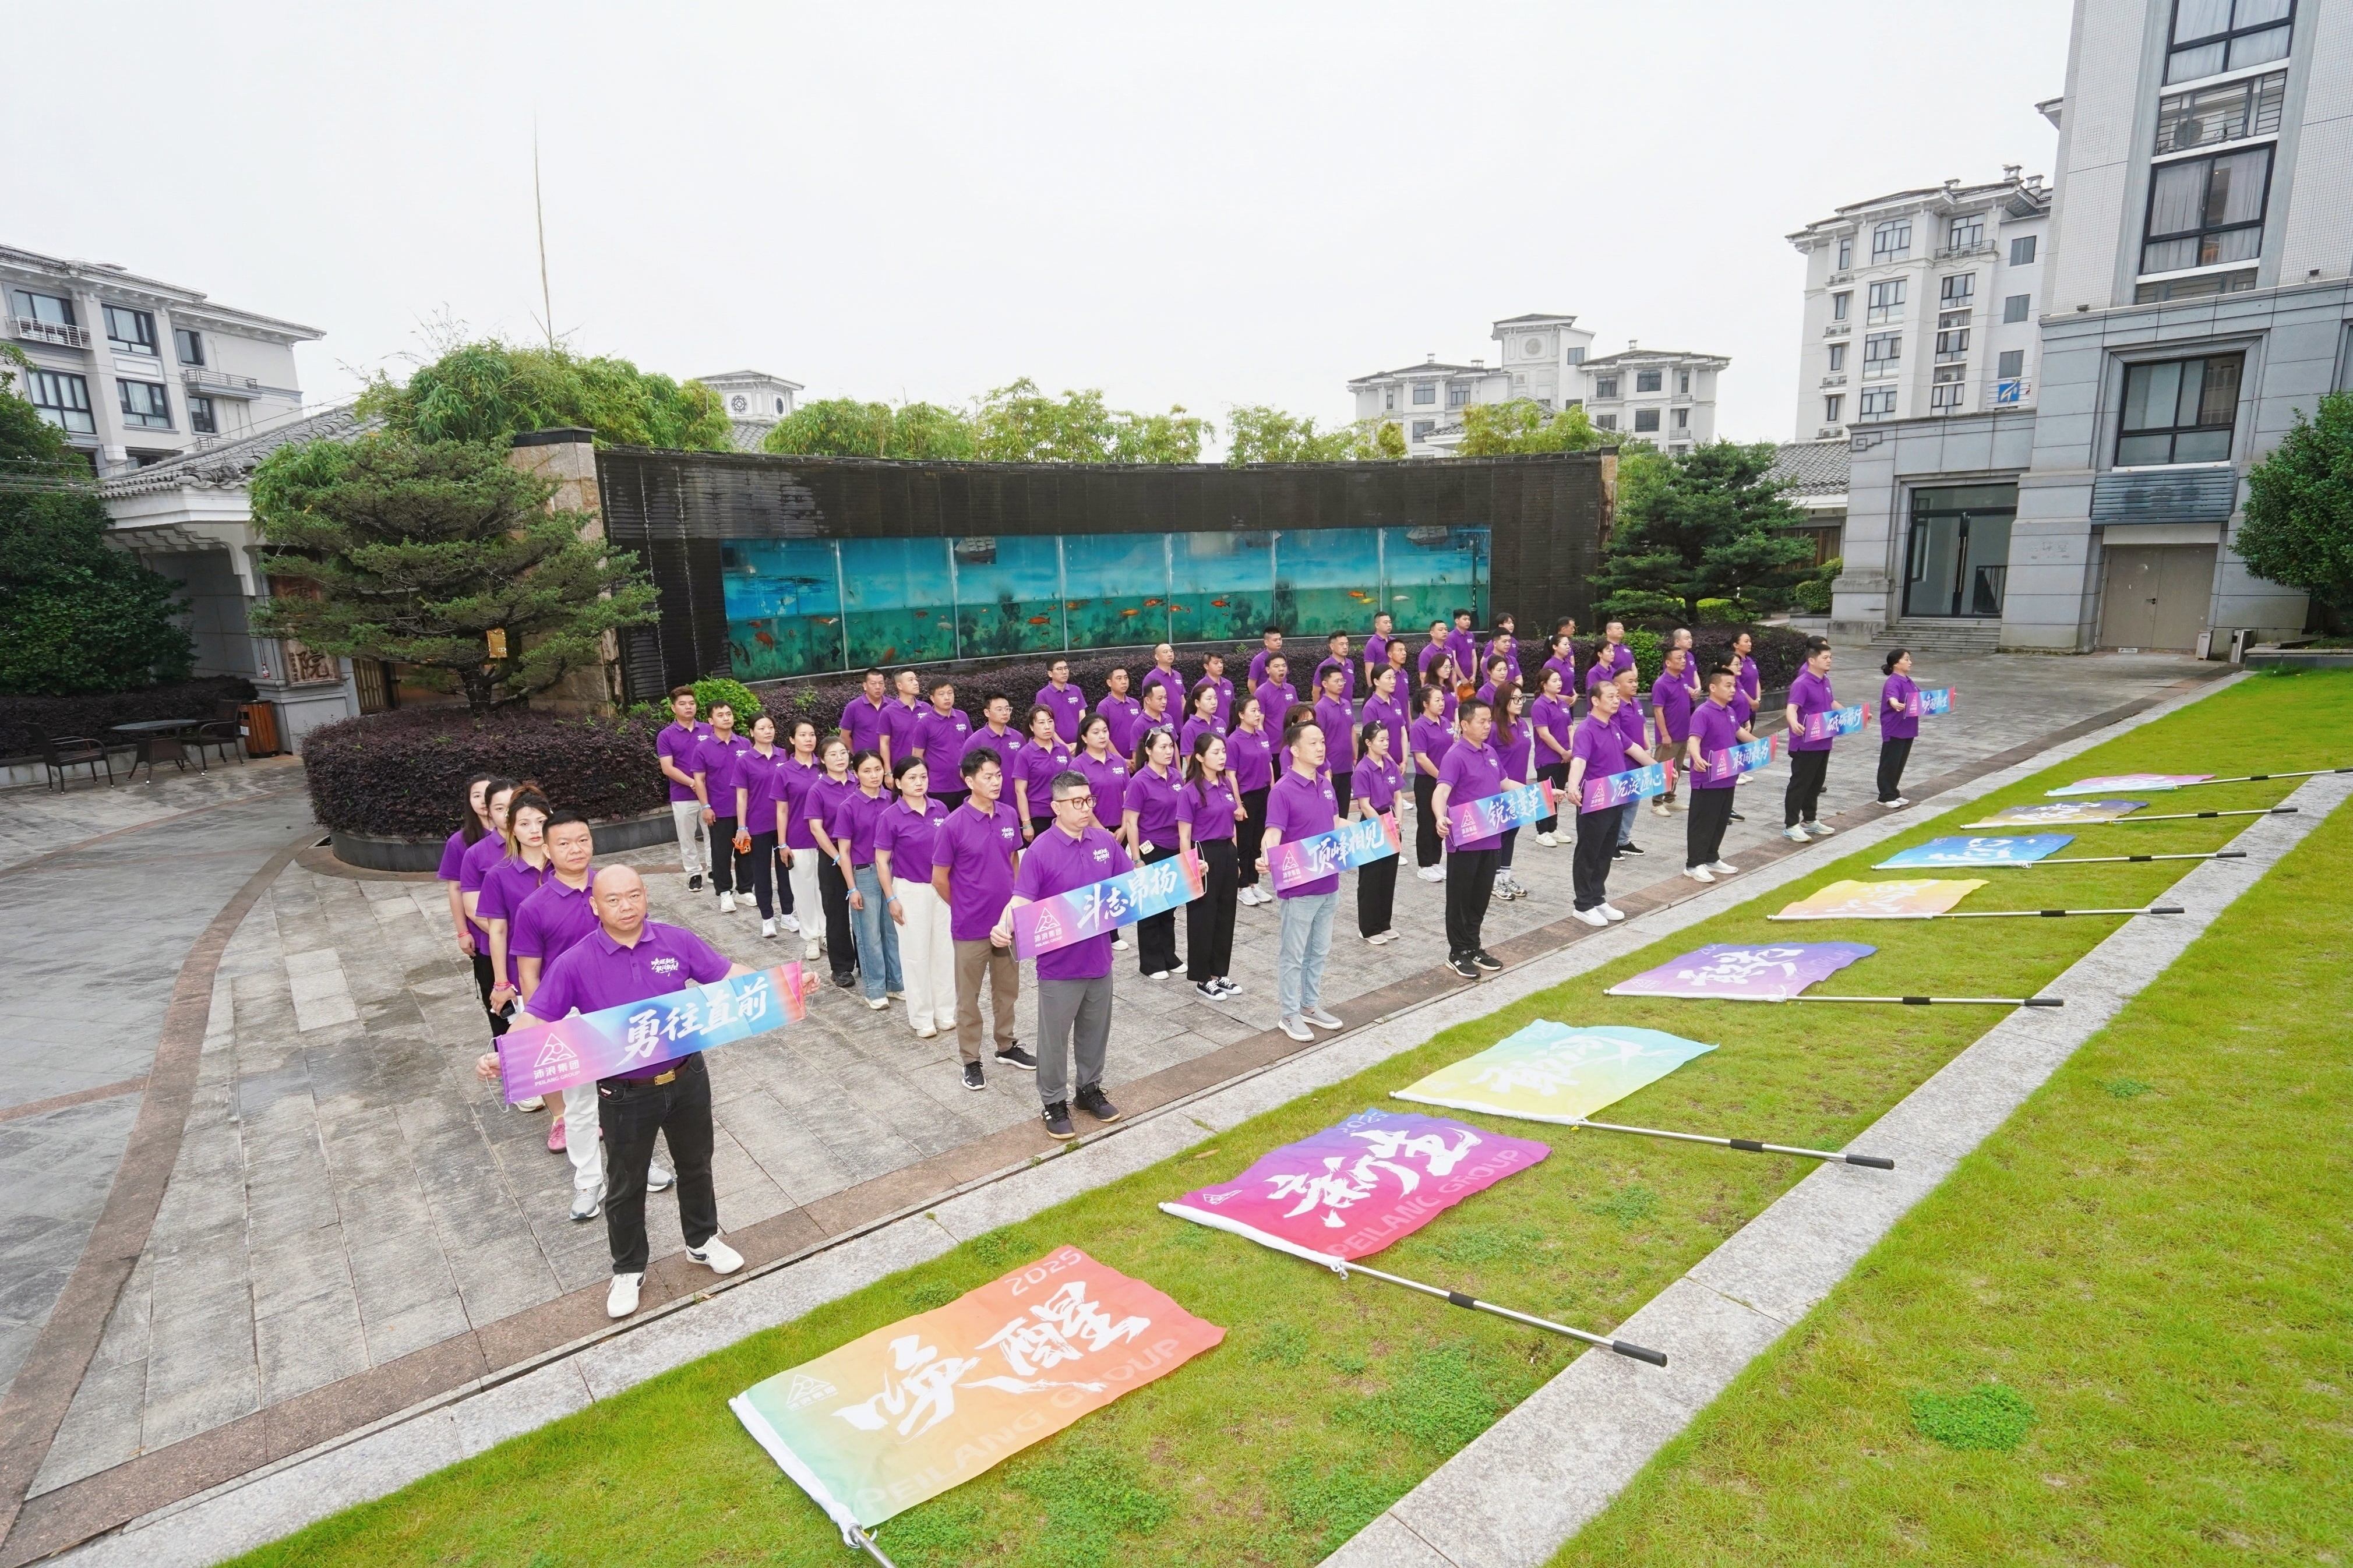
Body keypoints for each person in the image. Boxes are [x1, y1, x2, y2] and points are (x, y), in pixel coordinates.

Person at [484, 866, 750, 1320]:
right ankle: (628, 1269)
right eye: (613, 899)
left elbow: (729, 975)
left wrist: (784, 985)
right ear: (595, 906)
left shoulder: (676, 941)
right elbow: (538, 1016)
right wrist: (502, 1054)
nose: (626, 907)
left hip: (686, 1077)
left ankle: (702, 1241)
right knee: (626, 1183)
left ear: (646, 896)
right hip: (625, 1093)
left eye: (634, 896)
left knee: (696, 1164)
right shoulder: (576, 961)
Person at [509, 809, 674, 1219]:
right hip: (568, 1016)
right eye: (564, 843)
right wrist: (540, 1030)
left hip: (621, 1012)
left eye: (583, 839)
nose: (575, 849)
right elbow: (529, 973)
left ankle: (641, 1164)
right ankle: (588, 1180)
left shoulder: (612, 887)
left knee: (636, 1094)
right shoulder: (534, 907)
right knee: (581, 1104)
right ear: (547, 850)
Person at [993, 772, 1130, 1140]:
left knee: (1095, 1031)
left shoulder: (1104, 841)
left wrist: (1187, 872)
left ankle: (1089, 1090)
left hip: (1099, 959)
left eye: (1089, 800)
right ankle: (1053, 1102)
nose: (1085, 808)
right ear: (1056, 807)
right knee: (1054, 1039)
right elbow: (1020, 899)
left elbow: (1133, 883)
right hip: (1059, 965)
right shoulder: (1041, 850)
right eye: (1076, 802)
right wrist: (1004, 925)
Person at [933, 747, 1033, 1089]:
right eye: (988, 777)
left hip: (1007, 924)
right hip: (970, 927)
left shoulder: (1008, 815)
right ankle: (970, 1060)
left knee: (1007, 991)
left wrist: (1016, 904)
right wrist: (962, 907)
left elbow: (1014, 859)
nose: (995, 782)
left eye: (998, 775)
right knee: (968, 998)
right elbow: (939, 878)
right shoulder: (953, 825)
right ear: (969, 781)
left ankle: (1006, 1045)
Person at [1261, 718, 1344, 1042]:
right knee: (1294, 955)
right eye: (1313, 742)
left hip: (1329, 882)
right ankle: (1289, 1013)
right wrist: (1266, 856)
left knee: (1319, 951)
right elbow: (1272, 833)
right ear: (1294, 750)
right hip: (1299, 889)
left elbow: (1336, 823)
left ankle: (1310, 1005)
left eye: (1322, 741)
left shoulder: (1326, 784)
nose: (1321, 747)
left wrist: (1380, 833)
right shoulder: (1282, 791)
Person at [477, 788, 553, 1106]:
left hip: (565, 967)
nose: (534, 830)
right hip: (521, 971)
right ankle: (530, 1087)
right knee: (529, 1033)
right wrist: (500, 982)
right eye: (525, 823)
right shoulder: (499, 875)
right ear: (511, 828)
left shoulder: (566, 865)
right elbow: (497, 931)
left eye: (541, 822)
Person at [874, 758, 954, 1039]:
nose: (919, 783)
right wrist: (891, 898)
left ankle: (945, 1012)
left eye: (923, 776)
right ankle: (922, 1017)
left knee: (944, 951)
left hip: (941, 889)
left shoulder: (940, 809)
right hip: (910, 890)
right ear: (897, 783)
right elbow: (881, 861)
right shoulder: (890, 816)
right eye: (912, 778)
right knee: (916, 954)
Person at [1566, 683, 1653, 926]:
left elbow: (1634, 749)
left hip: (1616, 798)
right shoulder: (1586, 730)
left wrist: (1659, 769)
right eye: (1611, 697)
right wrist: (1572, 785)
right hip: (1594, 801)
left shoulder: (1613, 726)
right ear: (1595, 701)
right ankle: (1583, 905)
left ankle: (1598, 898)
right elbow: (1579, 760)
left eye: (1617, 696)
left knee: (1606, 851)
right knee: (1589, 852)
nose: (1616, 701)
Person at [1431, 698, 1505, 980]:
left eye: (1489, 721)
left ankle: (1474, 946)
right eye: (1481, 721)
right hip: (1465, 839)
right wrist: (1440, 816)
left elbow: (1504, 783)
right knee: (1460, 898)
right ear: (1464, 724)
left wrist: (1545, 794)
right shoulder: (1455, 755)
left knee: (1480, 896)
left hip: (1491, 836)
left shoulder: (1490, 752)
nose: (1488, 726)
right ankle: (1458, 951)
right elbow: (1441, 790)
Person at [1176, 732, 1243, 999]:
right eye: (1216, 752)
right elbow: (1184, 835)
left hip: (1226, 851)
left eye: (1223, 751)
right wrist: (1191, 864)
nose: (1222, 756)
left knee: (1226, 914)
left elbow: (1232, 824)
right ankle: (1203, 977)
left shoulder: (1226, 784)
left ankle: (1220, 972)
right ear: (1200, 757)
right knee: (1203, 916)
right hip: (1204, 853)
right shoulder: (1190, 791)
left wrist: (1235, 858)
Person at [837, 749, 902, 1011]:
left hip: (893, 871)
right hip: (864, 873)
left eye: (877, 769)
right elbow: (843, 851)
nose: (874, 775)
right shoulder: (849, 806)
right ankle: (875, 989)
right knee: (869, 934)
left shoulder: (893, 800)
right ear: (856, 774)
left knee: (893, 931)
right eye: (867, 771)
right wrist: (851, 888)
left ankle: (896, 983)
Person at [438, 772, 503, 1031]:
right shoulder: (460, 842)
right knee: (497, 999)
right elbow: (455, 888)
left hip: (520, 927)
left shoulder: (520, 835)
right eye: (477, 795)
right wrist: (463, 931)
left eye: (488, 794)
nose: (483, 801)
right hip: (484, 930)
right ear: (469, 801)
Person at [460, 778, 523, 1043]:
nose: (507, 814)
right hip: (497, 950)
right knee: (506, 1025)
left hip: (548, 949)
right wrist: (513, 935)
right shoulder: (476, 854)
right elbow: (473, 908)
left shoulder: (544, 845)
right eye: (500, 808)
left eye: (513, 806)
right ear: (488, 811)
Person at [1121, 724, 1184, 979]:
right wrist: (1137, 859)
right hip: (1152, 849)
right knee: (1151, 908)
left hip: (1174, 847)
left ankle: (1169, 955)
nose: (1169, 751)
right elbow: (1131, 822)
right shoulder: (1139, 781)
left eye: (1171, 746)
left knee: (1170, 906)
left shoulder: (1177, 777)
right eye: (1163, 747)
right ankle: (1151, 962)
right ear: (1148, 750)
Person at [1682, 666, 1756, 883]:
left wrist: (1764, 744)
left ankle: (1711, 857)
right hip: (1707, 777)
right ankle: (1694, 864)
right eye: (1728, 686)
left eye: (1734, 686)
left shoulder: (1729, 712)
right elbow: (1694, 739)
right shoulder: (1703, 712)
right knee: (1703, 822)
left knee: (1720, 819)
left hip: (1728, 775)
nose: (1733, 690)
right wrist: (1696, 757)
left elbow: (1739, 733)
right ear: (1713, 688)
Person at [803, 739, 860, 988]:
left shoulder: (859, 783)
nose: (840, 758)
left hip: (861, 855)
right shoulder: (818, 790)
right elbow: (816, 829)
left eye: (843, 753)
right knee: (836, 913)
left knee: (865, 910)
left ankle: (866, 961)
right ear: (823, 760)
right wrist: (837, 856)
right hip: (832, 857)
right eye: (833, 754)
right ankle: (842, 968)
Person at [696, 702, 756, 912]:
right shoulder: (703, 748)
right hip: (720, 810)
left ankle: (745, 890)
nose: (726, 718)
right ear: (711, 721)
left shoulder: (745, 744)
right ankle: (724, 892)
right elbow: (699, 780)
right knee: (721, 854)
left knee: (745, 850)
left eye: (729, 714)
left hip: (746, 810)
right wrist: (706, 806)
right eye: (720, 715)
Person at [735, 716, 789, 940]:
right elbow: (741, 797)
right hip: (758, 825)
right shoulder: (744, 761)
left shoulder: (785, 755)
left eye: (771, 727)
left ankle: (788, 914)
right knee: (762, 873)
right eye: (762, 728)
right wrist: (742, 827)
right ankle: (767, 918)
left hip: (784, 824)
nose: (768, 731)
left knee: (786, 870)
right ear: (751, 732)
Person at [779, 721, 827, 961]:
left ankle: (826, 933)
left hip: (827, 839)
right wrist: (782, 843)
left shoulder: (824, 766)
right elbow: (782, 810)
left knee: (826, 889)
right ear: (792, 739)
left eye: (812, 734)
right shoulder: (784, 771)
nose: (809, 739)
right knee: (804, 890)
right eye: (803, 735)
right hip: (798, 838)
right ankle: (810, 937)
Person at [1353, 720, 1404, 945]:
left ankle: (1384, 923)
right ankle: (1368, 928)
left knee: (1388, 876)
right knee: (1371, 878)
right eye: (1381, 740)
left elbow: (1398, 796)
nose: (1386, 744)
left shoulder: (1389, 764)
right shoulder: (1362, 770)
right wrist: (1383, 826)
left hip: (1390, 821)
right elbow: (1365, 805)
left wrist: (1397, 820)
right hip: (1372, 824)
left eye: (1387, 739)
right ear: (1368, 742)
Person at [1784, 636, 1839, 841]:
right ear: (1812, 660)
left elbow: (1831, 703)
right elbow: (1791, 708)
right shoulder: (1802, 683)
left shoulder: (1826, 681)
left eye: (1830, 657)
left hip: (1824, 740)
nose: (1829, 660)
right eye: (1825, 657)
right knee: (1800, 783)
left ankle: (1810, 819)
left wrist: (1854, 715)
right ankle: (1791, 824)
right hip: (1805, 743)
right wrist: (1794, 723)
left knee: (1816, 783)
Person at [657, 688, 712, 891]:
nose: (688, 707)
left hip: (710, 794)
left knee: (713, 834)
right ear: (673, 708)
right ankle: (694, 873)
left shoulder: (709, 730)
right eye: (682, 704)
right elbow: (667, 768)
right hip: (682, 796)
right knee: (687, 837)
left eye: (691, 703)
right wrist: (693, 783)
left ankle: (715, 869)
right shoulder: (666, 736)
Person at [1228, 694, 1278, 907]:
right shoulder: (1234, 741)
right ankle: (1243, 886)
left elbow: (1269, 765)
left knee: (1259, 840)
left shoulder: (1263, 736)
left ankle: (1254, 882)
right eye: (1253, 711)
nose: (1258, 714)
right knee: (1245, 843)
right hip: (1246, 796)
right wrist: (1238, 804)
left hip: (1264, 793)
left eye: (1259, 710)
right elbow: (1231, 775)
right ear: (1241, 715)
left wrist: (1274, 791)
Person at [1492, 683, 1534, 902]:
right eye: (1514, 699)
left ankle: (1506, 876)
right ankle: (1494, 880)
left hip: (1519, 788)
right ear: (1503, 701)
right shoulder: (1494, 729)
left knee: (1511, 834)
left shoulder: (1522, 724)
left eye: (1521, 699)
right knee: (1498, 836)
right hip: (1499, 791)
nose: (1519, 703)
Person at [1409, 681, 1453, 882]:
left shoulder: (1446, 722)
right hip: (1428, 781)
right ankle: (1424, 864)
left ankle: (1436, 861)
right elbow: (1421, 758)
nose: (1442, 703)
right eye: (1437, 700)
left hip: (1444, 781)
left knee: (1440, 819)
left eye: (1442, 699)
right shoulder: (1419, 726)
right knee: (1426, 822)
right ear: (1426, 704)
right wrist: (1441, 776)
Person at [911, 678, 973, 814]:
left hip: (965, 784)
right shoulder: (925, 723)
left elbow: (971, 748)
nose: (947, 697)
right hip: (938, 788)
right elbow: (917, 756)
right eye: (942, 694)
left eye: (950, 693)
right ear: (932, 698)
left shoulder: (962, 717)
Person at [1013, 705, 1073, 840]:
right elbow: (1020, 791)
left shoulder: (1063, 750)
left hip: (1063, 813)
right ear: (1032, 727)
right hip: (1038, 816)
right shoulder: (1025, 754)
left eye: (1050, 721)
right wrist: (1027, 823)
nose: (1047, 727)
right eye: (1041, 723)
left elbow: (1070, 782)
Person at [1531, 666, 1575, 847]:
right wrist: (1562, 751)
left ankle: (1553, 828)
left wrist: (1571, 750)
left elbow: (1570, 728)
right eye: (1555, 681)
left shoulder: (1562, 704)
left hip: (1565, 757)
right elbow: (1544, 734)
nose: (1559, 683)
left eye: (1560, 680)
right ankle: (1542, 831)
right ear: (1544, 684)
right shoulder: (1539, 706)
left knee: (1558, 793)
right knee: (1546, 794)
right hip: (1548, 758)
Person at [1650, 647, 1696, 818]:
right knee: (1662, 769)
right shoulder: (1661, 684)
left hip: (1683, 734)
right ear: (1668, 663)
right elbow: (1658, 711)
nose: (1683, 661)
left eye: (1684, 658)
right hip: (1669, 735)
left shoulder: (1683, 679)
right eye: (1679, 658)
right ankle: (1657, 803)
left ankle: (1670, 798)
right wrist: (1665, 734)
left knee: (1676, 768)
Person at [1611, 665, 1650, 859]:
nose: (1635, 684)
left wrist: (1647, 747)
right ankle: (1611, 843)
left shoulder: (1636, 703)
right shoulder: (1615, 707)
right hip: (1623, 762)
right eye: (1630, 681)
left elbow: (1642, 727)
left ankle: (1623, 840)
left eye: (1636, 681)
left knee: (1633, 803)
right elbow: (1618, 738)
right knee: (1619, 805)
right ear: (1617, 686)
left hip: (1638, 761)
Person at [1726, 628, 1762, 824]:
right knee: (1727, 772)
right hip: (1730, 733)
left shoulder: (1736, 684)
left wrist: (1747, 719)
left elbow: (1740, 703)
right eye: (1735, 664)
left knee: (1733, 773)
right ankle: (1721, 810)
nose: (1739, 666)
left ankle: (1727, 808)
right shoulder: (1726, 688)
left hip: (1741, 726)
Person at [1877, 648, 1920, 808]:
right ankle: (1885, 796)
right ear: (1896, 663)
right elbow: (1891, 696)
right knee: (1890, 762)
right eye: (1906, 659)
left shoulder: (1908, 681)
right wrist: (1894, 703)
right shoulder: (1893, 682)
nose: (1910, 662)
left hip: (1908, 728)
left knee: (1899, 763)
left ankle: (1893, 792)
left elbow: (1921, 698)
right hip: (1895, 728)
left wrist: (1945, 699)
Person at [1314, 665, 1357, 817]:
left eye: (1342, 680)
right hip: (1331, 767)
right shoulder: (1321, 708)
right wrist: (1325, 764)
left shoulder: (1346, 704)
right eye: (1336, 681)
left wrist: (1355, 757)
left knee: (1344, 811)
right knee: (1331, 811)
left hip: (1347, 766)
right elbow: (1319, 738)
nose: (1341, 684)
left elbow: (1352, 731)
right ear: (1325, 684)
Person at [1361, 663, 1409, 773]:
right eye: (1389, 678)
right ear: (1376, 682)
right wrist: (1393, 764)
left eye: (1394, 678)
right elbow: (1374, 740)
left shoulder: (1396, 703)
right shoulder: (1371, 707)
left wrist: (1405, 761)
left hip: (1399, 763)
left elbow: (1403, 732)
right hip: (1381, 765)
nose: (1393, 682)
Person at [839, 668, 893, 757]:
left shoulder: (892, 706)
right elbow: (844, 736)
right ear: (865, 686)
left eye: (881, 683)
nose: (878, 687)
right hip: (865, 761)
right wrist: (857, 756)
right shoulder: (853, 707)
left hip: (891, 759)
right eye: (873, 684)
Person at [880, 668, 925, 771]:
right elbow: (884, 744)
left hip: (924, 769)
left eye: (916, 679)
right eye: (911, 680)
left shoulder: (926, 708)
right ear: (899, 686)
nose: (916, 683)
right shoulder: (888, 712)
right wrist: (888, 772)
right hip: (900, 769)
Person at [1035, 657, 1086, 744]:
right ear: (1050, 674)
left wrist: (1080, 743)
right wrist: (1064, 746)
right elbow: (1045, 724)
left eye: (1066, 668)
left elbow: (1082, 718)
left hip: (1079, 744)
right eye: (1059, 669)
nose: (1064, 672)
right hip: (1055, 746)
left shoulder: (1076, 690)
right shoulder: (1043, 695)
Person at [1096, 667, 1144, 757]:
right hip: (1114, 760)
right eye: (1119, 678)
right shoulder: (1104, 707)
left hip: (1138, 757)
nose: (1124, 682)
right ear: (1109, 683)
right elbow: (1103, 736)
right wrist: (1122, 760)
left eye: (1126, 678)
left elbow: (1141, 731)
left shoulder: (1135, 703)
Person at [1180, 680, 1226, 756]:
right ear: (1197, 703)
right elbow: (1190, 759)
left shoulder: (1220, 723)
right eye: (1209, 699)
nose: (1214, 702)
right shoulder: (1189, 728)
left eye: (1215, 698)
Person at [1585, 621, 1634, 691]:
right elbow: (1593, 693)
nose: (1621, 630)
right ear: (1600, 654)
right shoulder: (1594, 672)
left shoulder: (1625, 649)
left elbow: (1633, 666)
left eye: (1622, 628)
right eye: (1618, 628)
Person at [1141, 644, 1187, 715]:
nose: (1170, 654)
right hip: (1161, 722)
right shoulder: (1151, 678)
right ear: (1157, 657)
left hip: (1179, 721)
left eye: (1171, 651)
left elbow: (1182, 700)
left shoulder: (1178, 675)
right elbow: (1147, 705)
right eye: (1165, 652)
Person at [975, 692, 1021, 762]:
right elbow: (966, 767)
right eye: (999, 710)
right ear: (987, 713)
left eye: (1007, 709)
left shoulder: (1019, 738)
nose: (1005, 713)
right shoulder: (975, 740)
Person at [1254, 654, 1297, 725]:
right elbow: (1259, 723)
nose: (1281, 669)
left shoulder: (1291, 689)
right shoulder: (1261, 692)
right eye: (1276, 666)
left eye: (1284, 666)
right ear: (1268, 670)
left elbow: (1297, 715)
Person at [1314, 631, 1356, 703]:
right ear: (1332, 646)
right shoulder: (1324, 666)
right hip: (1328, 708)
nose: (1345, 647)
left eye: (1347, 644)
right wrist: (1318, 710)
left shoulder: (1350, 664)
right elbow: (1316, 692)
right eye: (1341, 644)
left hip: (1347, 708)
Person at [1541, 631, 1578, 710]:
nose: (1568, 647)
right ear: (1555, 647)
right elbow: (1543, 689)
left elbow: (1569, 682)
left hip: (1569, 704)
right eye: (1565, 644)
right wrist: (1563, 698)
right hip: (1555, 705)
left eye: (1569, 644)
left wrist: (1575, 695)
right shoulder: (1550, 665)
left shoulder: (1568, 663)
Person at [1199, 650, 1236, 726]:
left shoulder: (1228, 684)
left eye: (1221, 662)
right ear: (1206, 666)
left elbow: (1233, 708)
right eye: (1216, 663)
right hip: (1210, 729)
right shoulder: (1200, 687)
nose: (1220, 665)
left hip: (1229, 729)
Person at [1445, 609, 1480, 683]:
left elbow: (1474, 656)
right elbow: (1453, 660)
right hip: (1456, 679)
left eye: (1469, 619)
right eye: (1465, 619)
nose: (1468, 622)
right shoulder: (1451, 637)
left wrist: (1474, 675)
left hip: (1470, 677)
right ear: (1457, 621)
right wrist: (1462, 677)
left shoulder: (1471, 635)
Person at [1363, 610, 1396, 686]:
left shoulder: (1394, 642)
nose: (1389, 625)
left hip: (1394, 682)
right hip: (1381, 684)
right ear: (1377, 625)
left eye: (1390, 622)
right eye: (1385, 623)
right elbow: (1369, 670)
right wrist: (1372, 688)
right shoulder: (1372, 644)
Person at [1248, 626, 1284, 690]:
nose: (1279, 642)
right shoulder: (1258, 660)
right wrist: (1259, 696)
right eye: (1275, 640)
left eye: (1280, 639)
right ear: (1266, 642)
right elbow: (1251, 685)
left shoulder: (1282, 657)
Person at [1418, 618, 1452, 683]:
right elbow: (1423, 677)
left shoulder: (1449, 650)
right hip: (1434, 688)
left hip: (1448, 687)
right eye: (1441, 630)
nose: (1445, 632)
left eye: (1446, 629)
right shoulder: (1426, 653)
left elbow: (1453, 673)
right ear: (1432, 633)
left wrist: (1454, 689)